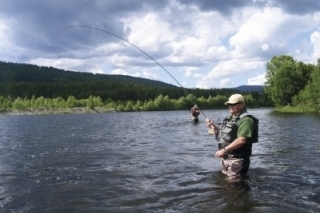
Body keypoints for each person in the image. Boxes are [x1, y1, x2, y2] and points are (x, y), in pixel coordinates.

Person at [206, 94, 255, 181]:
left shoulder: (246, 120)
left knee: (234, 187)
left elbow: (242, 140)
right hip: (226, 158)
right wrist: (213, 126)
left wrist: (224, 150)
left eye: (234, 104)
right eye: (229, 104)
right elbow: (224, 135)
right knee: (227, 185)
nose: (230, 106)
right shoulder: (230, 119)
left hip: (237, 160)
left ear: (242, 105)